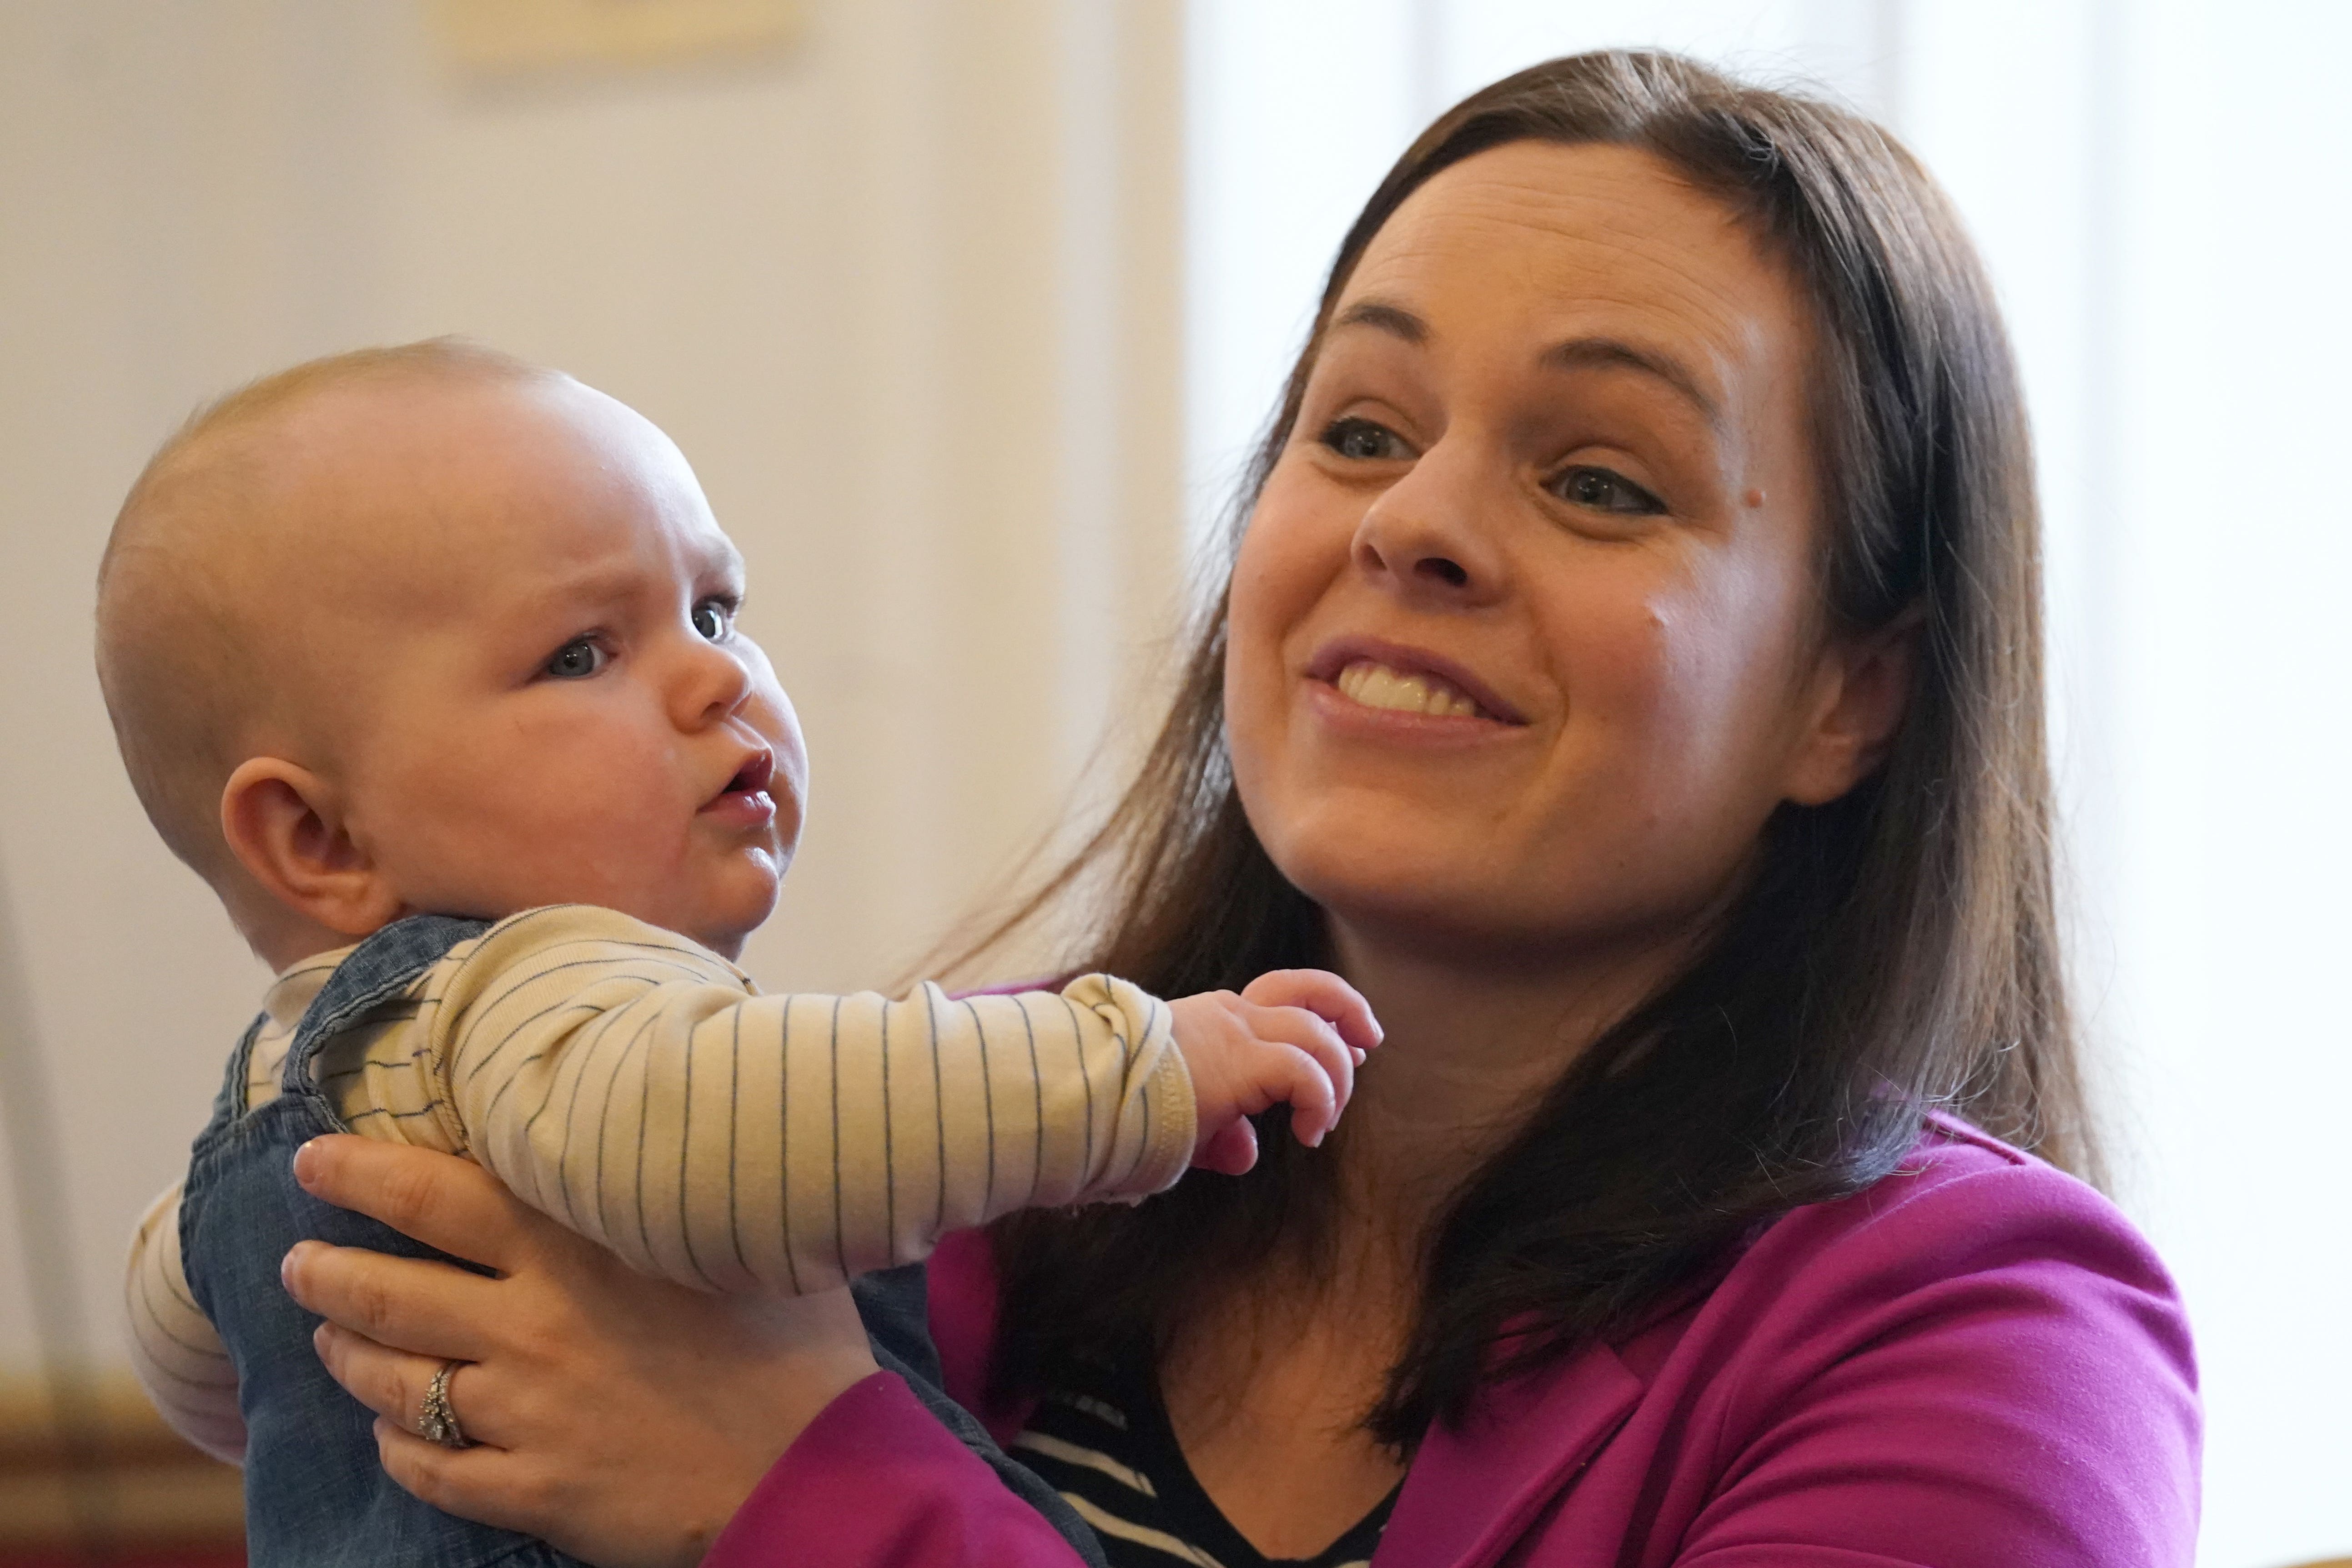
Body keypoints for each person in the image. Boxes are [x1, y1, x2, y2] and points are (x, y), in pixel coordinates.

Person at [274, 50, 2202, 1567]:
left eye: (1603, 480)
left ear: (1851, 695)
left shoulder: (1997, 1340)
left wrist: (793, 1487)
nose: (1412, 522)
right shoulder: (938, 1144)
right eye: (1358, 427)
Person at [96, 343, 1378, 1567]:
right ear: (316, 837)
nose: (715, 680)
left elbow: (198, 1355)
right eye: (580, 653)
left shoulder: (265, 1104)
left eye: (713, 610)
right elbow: (745, 1127)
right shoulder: (528, 986)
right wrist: (1144, 1062)